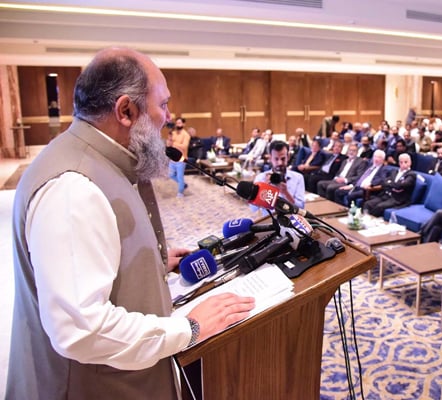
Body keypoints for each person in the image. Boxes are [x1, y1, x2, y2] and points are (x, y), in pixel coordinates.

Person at [6, 47, 256, 399]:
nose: (168, 117)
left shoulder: (105, 162)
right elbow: (82, 329)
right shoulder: (73, 188)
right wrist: (190, 328)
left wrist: (148, 263)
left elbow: (93, 257)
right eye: (163, 104)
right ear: (126, 110)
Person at [253, 140, 305, 210]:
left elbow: (301, 208)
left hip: (291, 218)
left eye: (283, 159)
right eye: (276, 159)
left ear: (288, 157)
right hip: (269, 219)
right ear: (270, 158)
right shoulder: (261, 178)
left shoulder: (298, 178)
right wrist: (264, 187)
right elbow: (254, 209)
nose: (280, 163)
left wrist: (286, 193)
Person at [362, 153, 416, 217]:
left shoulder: (411, 175)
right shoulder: (394, 171)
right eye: (401, 162)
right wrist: (393, 185)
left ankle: (370, 220)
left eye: (406, 162)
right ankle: (364, 218)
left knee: (379, 207)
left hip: (397, 199)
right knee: (367, 204)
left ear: (410, 162)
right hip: (386, 195)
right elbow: (384, 182)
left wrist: (390, 183)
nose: (403, 164)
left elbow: (400, 186)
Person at [168, 117, 190, 197]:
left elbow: (184, 146)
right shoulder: (173, 133)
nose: (178, 124)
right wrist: (169, 138)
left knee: (180, 176)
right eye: (177, 123)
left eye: (180, 123)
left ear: (184, 124)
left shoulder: (186, 135)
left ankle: (180, 192)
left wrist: (173, 144)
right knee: (170, 175)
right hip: (173, 159)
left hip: (181, 159)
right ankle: (183, 184)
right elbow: (169, 144)